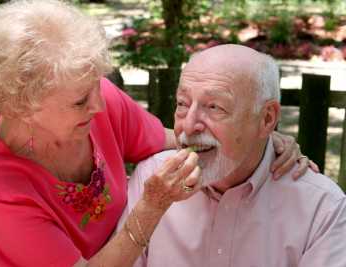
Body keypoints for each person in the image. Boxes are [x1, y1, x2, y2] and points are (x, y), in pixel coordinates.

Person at [0, 1, 311, 266]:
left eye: (97, 85)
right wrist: (151, 207)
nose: (99, 104)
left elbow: (177, 139)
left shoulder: (98, 100)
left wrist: (256, 137)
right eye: (79, 101)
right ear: (25, 108)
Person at [121, 44, 346, 267]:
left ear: (267, 119)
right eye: (182, 104)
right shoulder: (151, 181)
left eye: (214, 107)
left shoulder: (322, 209)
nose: (188, 126)